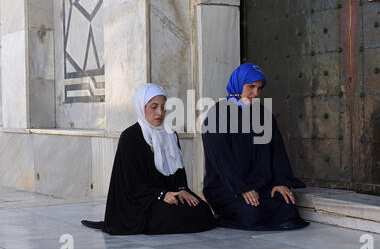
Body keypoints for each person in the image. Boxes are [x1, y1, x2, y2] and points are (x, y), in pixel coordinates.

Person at [81, 84, 216, 235]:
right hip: (141, 202)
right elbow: (131, 182)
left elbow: (178, 170)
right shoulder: (130, 137)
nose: (160, 112)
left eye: (163, 107)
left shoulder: (170, 134)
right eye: (154, 107)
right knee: (174, 215)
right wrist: (161, 195)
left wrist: (182, 189)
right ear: (141, 107)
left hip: (170, 195)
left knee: (202, 210)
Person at [201, 63, 310, 231]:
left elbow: (277, 152)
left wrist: (280, 181)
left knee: (287, 209)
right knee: (253, 214)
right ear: (238, 84)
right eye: (250, 87)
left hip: (261, 185)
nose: (256, 93)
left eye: (259, 88)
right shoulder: (217, 116)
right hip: (228, 187)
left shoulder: (263, 115)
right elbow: (221, 161)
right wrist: (241, 188)